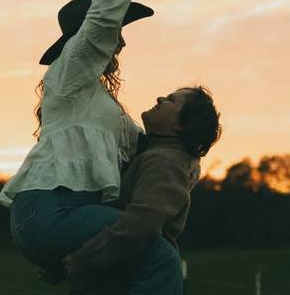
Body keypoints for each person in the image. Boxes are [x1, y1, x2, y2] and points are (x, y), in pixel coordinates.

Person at [0, 0, 167, 287]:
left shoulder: (98, 102)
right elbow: (102, 21)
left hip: (63, 213)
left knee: (115, 273)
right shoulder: (69, 71)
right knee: (160, 257)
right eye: (119, 28)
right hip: (51, 210)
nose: (120, 39)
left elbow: (144, 148)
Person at [62, 86, 222, 295]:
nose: (160, 96)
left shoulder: (165, 161)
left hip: (130, 281)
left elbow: (141, 224)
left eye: (171, 100)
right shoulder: (155, 154)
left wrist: (82, 260)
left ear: (181, 124)